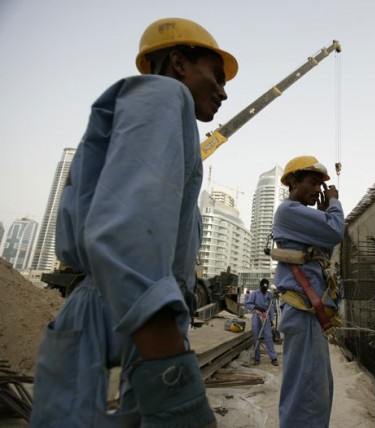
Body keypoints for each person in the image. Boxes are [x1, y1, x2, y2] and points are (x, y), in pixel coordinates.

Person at [29, 17, 238, 427]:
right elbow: (129, 240)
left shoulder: (165, 135)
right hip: (122, 316)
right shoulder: (163, 95)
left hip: (116, 314)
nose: (224, 91)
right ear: (179, 63)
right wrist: (173, 379)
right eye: (215, 75)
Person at [272, 155, 345, 428]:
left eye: (321, 186)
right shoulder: (289, 211)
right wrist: (335, 203)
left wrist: (325, 211)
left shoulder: (300, 217)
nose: (318, 190)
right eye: (313, 183)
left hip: (309, 314)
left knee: (315, 390)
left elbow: (324, 245)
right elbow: (335, 232)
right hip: (304, 312)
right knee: (309, 395)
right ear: (293, 182)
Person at [244, 278, 278, 366]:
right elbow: (248, 304)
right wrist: (257, 307)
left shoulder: (269, 295)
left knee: (268, 337)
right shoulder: (254, 293)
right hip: (256, 316)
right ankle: (256, 358)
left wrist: (271, 319)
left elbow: (271, 307)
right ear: (260, 286)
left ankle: (273, 357)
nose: (264, 289)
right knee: (256, 337)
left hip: (265, 317)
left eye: (266, 288)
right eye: (263, 287)